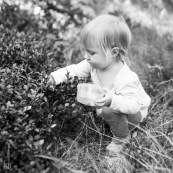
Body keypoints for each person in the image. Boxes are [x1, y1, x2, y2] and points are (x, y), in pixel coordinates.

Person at [47, 14, 151, 157]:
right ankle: (114, 121)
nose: (85, 56)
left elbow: (134, 105)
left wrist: (112, 100)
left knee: (108, 111)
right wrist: (53, 77)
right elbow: (73, 70)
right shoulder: (92, 64)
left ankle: (122, 138)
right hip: (119, 109)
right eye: (85, 50)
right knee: (107, 110)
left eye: (91, 52)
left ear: (113, 53)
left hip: (135, 114)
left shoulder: (126, 78)